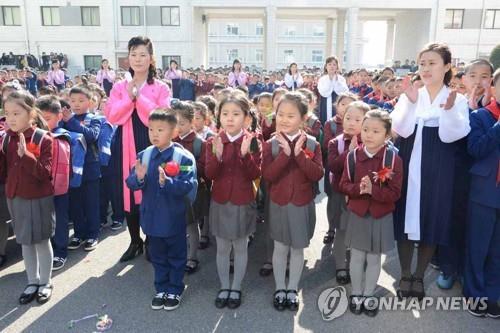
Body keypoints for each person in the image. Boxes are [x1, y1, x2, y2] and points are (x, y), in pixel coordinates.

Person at [391, 43, 470, 300]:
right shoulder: (411, 94)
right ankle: (404, 273)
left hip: (440, 160)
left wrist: (447, 112)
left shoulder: (457, 99)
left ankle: (419, 276)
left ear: (447, 67)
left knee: (432, 216)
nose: (425, 68)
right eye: (422, 63)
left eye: (432, 63)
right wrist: (412, 104)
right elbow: (401, 130)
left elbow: (451, 136)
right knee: (405, 212)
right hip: (409, 153)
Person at [105, 36, 171, 262]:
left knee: (151, 190)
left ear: (151, 59)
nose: (138, 59)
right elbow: (112, 115)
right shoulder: (119, 86)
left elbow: (162, 117)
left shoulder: (160, 87)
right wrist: (128, 99)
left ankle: (152, 239)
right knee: (127, 192)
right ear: (128, 58)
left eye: (143, 54)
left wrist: (138, 97)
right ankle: (135, 240)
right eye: (133, 54)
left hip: (151, 142)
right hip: (124, 142)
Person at [126, 109, 196, 311]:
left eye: (160, 129)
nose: (154, 134)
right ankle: (161, 287)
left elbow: (188, 185)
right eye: (150, 129)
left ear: (174, 132)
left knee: (176, 255)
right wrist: (138, 178)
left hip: (173, 217)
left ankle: (175, 287)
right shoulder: (144, 155)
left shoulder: (182, 157)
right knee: (157, 256)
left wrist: (168, 182)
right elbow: (131, 182)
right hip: (151, 218)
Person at [262, 92, 324, 311]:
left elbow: (317, 174)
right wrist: (285, 155)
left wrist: (298, 155)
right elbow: (268, 175)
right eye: (281, 114)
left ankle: (292, 288)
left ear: (303, 118)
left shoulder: (313, 144)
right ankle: (280, 288)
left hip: (301, 203)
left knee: (297, 249)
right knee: (279, 248)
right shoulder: (270, 144)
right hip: (278, 203)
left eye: (291, 115)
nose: (284, 119)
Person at [340, 110, 403, 316]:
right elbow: (344, 185)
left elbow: (395, 193)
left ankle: (368, 295)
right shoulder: (352, 157)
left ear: (387, 135)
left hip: (380, 214)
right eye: (366, 129)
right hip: (358, 214)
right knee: (357, 257)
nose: (369, 134)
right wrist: (359, 188)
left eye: (376, 131)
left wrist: (373, 191)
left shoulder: (393, 159)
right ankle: (356, 294)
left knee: (374, 259)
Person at [205, 90, 261, 309]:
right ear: (219, 116)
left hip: (242, 201)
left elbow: (254, 174)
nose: (229, 118)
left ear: (246, 118)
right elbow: (210, 175)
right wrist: (217, 156)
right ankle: (224, 286)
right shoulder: (214, 140)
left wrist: (246, 154)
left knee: (240, 247)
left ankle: (236, 287)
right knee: (221, 248)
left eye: (236, 113)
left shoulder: (253, 141)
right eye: (225, 113)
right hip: (220, 201)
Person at [0, 91, 55, 304]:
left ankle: (46, 281)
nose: (11, 118)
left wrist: (28, 156)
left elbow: (46, 173)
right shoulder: (5, 140)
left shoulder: (43, 138)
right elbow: (3, 173)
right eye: (7, 113)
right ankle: (32, 281)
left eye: (16, 113)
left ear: (31, 114)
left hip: (39, 196)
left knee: (41, 240)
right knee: (24, 241)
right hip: (15, 196)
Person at [463, 68, 500, 318]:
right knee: (479, 245)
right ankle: (474, 294)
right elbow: (475, 149)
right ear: (494, 89)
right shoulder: (480, 116)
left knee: (498, 249)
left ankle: (492, 294)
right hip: (485, 190)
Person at [63, 85, 102, 252]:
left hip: (90, 168)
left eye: (81, 100)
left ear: (90, 101)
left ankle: (93, 233)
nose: (76, 104)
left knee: (91, 202)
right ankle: (79, 233)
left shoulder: (94, 118)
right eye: (72, 101)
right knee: (76, 203)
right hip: (70, 168)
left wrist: (71, 121)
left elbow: (92, 135)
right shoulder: (62, 120)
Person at [37, 96, 72, 270]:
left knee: (59, 220)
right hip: (39, 189)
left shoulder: (60, 137)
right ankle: (48, 251)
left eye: (47, 119)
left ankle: (60, 251)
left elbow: (61, 169)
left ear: (59, 116)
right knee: (44, 221)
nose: (43, 123)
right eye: (39, 119)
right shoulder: (37, 136)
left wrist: (54, 188)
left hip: (57, 190)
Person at [172, 101, 207, 274]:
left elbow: (203, 167)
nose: (178, 127)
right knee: (177, 225)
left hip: (192, 191)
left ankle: (192, 257)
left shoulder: (199, 142)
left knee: (192, 225)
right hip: (173, 190)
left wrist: (184, 167)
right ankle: (179, 255)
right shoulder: (171, 141)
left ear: (192, 122)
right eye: (175, 123)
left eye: (182, 123)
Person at [318, 56, 349, 124]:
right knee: (325, 122)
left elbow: (344, 92)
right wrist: (330, 81)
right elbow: (322, 92)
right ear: (326, 66)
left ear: (337, 67)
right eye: (329, 64)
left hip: (337, 103)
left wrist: (336, 82)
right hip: (325, 103)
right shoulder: (322, 79)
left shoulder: (341, 79)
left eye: (334, 64)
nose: (332, 66)